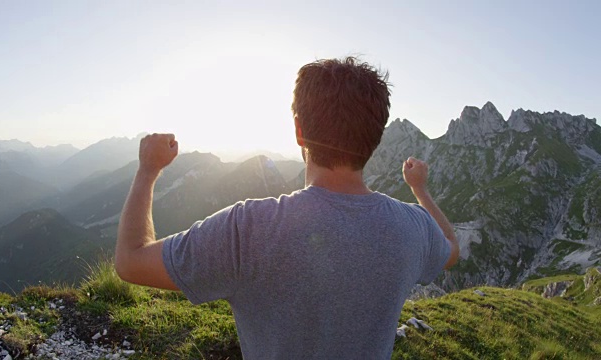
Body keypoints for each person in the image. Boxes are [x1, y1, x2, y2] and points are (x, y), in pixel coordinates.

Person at [115, 57, 460, 359]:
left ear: (299, 131)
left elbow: (130, 261)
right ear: (376, 136)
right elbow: (451, 249)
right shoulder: (412, 227)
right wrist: (421, 190)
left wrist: (148, 169)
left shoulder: (248, 228)